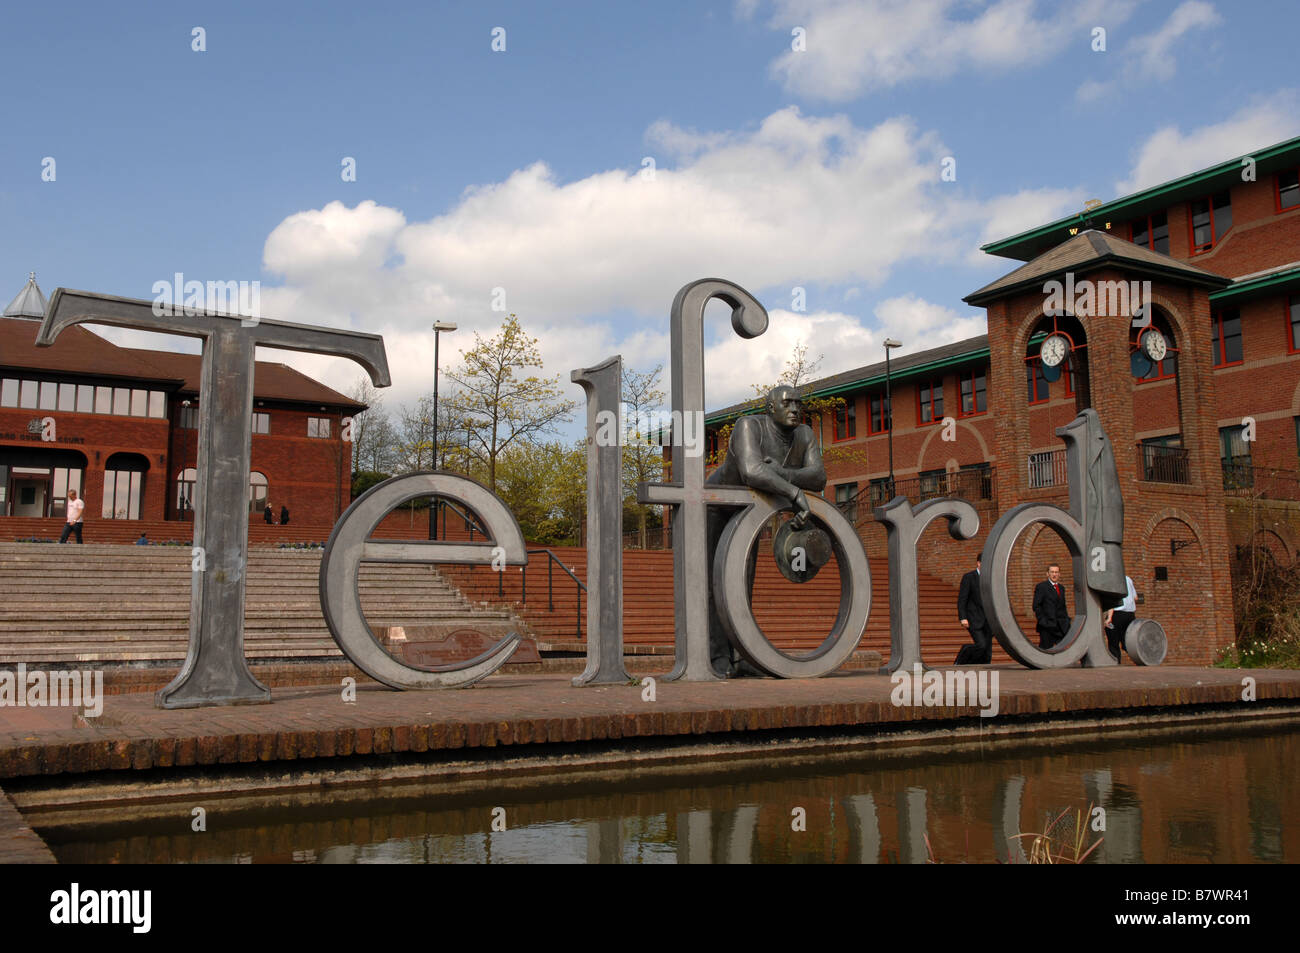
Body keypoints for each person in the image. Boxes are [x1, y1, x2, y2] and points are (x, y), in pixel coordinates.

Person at [705, 385, 826, 676]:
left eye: (798, 404)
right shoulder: (748, 426)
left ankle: (744, 654)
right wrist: (795, 492)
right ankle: (717, 656)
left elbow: (819, 476)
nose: (795, 409)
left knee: (742, 584)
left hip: (750, 511)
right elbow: (751, 470)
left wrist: (781, 474)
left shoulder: (805, 435)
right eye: (787, 404)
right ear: (770, 408)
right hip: (717, 506)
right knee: (713, 584)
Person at [955, 555, 992, 664]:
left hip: (989, 620)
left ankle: (982, 669)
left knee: (987, 651)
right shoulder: (969, 577)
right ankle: (963, 657)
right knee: (981, 645)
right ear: (979, 563)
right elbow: (962, 599)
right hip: (974, 618)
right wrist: (963, 617)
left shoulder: (990, 578)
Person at [1032, 563, 1071, 649]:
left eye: (1056, 572)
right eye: (1052, 572)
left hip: (1061, 626)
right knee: (1045, 650)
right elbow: (1036, 605)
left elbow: (1062, 606)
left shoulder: (1061, 588)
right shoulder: (1041, 587)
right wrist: (1042, 620)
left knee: (1063, 650)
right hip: (1047, 626)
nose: (1054, 574)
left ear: (1059, 574)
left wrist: (1067, 620)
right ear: (1047, 574)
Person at [1104, 574, 1138, 662]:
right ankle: (1139, 656)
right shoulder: (1128, 579)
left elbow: (1112, 600)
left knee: (1113, 640)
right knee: (1127, 639)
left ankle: (1116, 661)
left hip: (1117, 614)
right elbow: (1136, 598)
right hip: (1130, 615)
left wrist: (1109, 618)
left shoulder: (1112, 580)